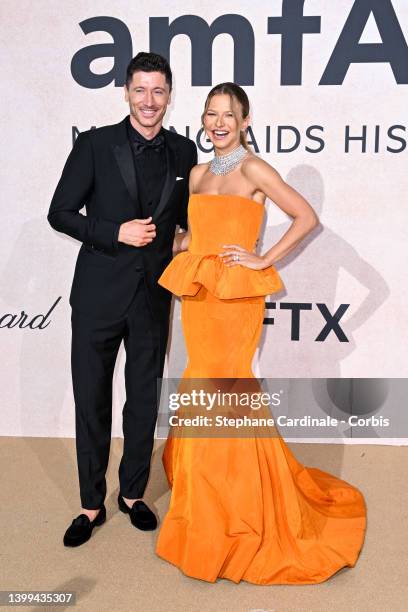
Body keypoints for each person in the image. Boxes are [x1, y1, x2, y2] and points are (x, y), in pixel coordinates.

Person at [155, 82, 367, 584]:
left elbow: (305, 217)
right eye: (210, 114)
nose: (218, 122)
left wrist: (263, 257)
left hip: (237, 301)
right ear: (202, 121)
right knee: (200, 384)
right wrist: (183, 242)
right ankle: (209, 505)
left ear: (245, 121)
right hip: (203, 296)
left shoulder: (253, 168)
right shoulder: (199, 174)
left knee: (226, 388)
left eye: (228, 114)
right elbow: (197, 230)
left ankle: (240, 509)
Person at [47, 52, 197, 547]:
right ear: (126, 93)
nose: (149, 100)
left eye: (158, 91)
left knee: (142, 401)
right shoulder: (94, 144)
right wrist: (116, 231)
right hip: (96, 295)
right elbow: (61, 213)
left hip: (153, 298)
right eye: (140, 90)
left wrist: (193, 241)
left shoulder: (184, 150)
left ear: (169, 96)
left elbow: (185, 224)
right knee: (91, 400)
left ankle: (132, 493)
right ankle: (91, 504)